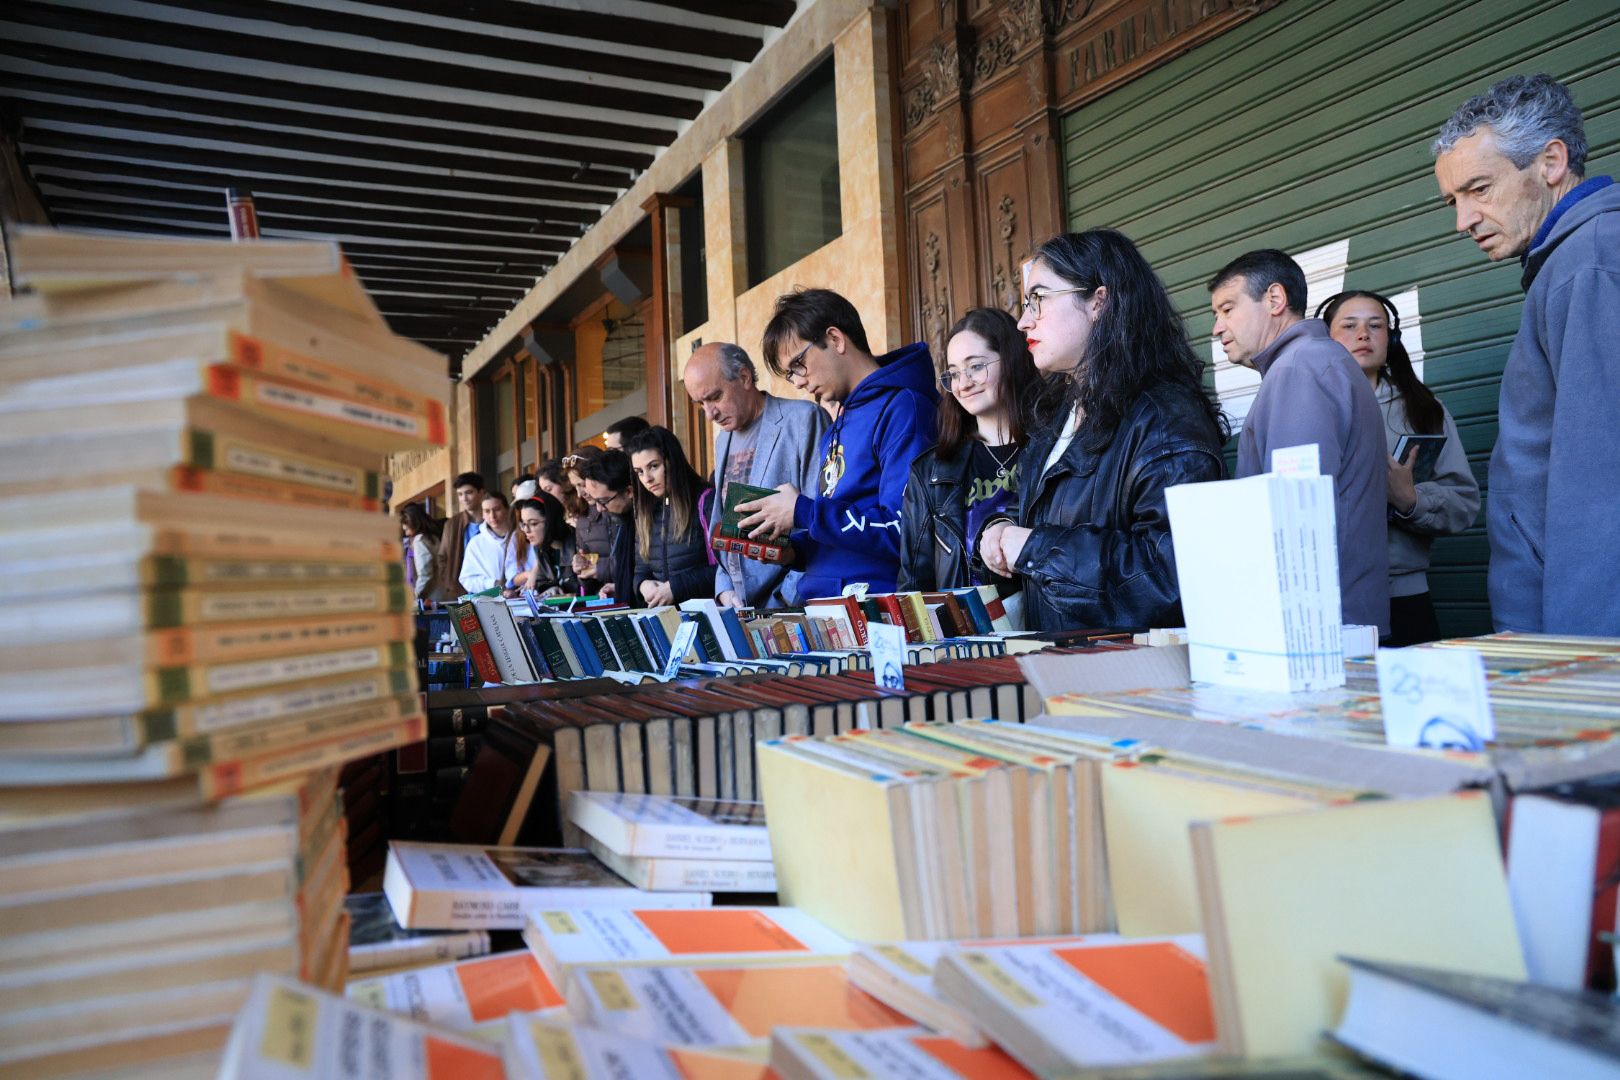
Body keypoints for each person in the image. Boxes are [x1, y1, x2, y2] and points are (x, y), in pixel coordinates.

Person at [1432, 73, 1619, 634]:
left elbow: (1600, 491)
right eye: (1453, 200)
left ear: (1552, 162)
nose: (1462, 220)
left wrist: (1583, 661)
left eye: (1479, 189)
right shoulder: (1569, 263)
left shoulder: (1587, 265)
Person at [980, 230, 1227, 631]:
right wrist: (1000, 529)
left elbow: (1169, 577)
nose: (1024, 321)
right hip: (1068, 668)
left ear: (1098, 301)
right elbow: (1045, 509)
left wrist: (1033, 547)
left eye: (1038, 300)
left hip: (1130, 682)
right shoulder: (1062, 409)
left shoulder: (1164, 419)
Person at [1209, 249, 1389, 635]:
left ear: (1275, 300)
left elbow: (1295, 514)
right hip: (1339, 619)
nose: (1217, 327)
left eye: (1227, 309)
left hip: (1315, 628)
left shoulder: (1299, 369)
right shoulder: (1315, 361)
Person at [750, 288, 938, 600]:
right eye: (789, 374)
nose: (797, 381)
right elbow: (842, 531)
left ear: (835, 339)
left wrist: (804, 511)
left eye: (798, 363)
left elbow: (905, 531)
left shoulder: (903, 408)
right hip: (822, 605)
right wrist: (793, 552)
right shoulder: (836, 426)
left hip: (873, 610)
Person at [1321, 290, 1481, 646]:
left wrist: (1411, 500)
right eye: (1349, 325)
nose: (1363, 334)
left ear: (1391, 339)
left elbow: (1464, 503)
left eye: (1375, 325)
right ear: (1325, 338)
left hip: (1405, 600)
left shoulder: (1424, 409)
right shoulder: (1307, 407)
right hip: (1326, 601)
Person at [899, 307, 1037, 596]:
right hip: (970, 636)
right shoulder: (929, 473)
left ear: (1011, 360)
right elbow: (915, 586)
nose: (962, 384)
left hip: (1049, 630)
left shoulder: (1054, 448)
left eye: (975, 366)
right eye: (953, 373)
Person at [683, 341, 829, 609]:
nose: (709, 414)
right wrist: (724, 589)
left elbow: (820, 520)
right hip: (739, 606)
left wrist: (785, 598)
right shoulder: (722, 440)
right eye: (700, 403)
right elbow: (723, 522)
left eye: (714, 397)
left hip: (791, 607)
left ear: (744, 377)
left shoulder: (803, 420)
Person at [624, 426, 717, 607]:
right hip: (666, 620)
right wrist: (643, 585)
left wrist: (676, 587)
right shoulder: (646, 511)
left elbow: (728, 570)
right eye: (639, 472)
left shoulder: (706, 501)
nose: (647, 479)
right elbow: (642, 569)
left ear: (672, 461)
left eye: (654, 466)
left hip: (706, 616)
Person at [578, 450, 637, 603]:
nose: (599, 509)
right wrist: (622, 586)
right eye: (594, 501)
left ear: (629, 491)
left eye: (603, 501)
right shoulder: (624, 518)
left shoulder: (640, 520)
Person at [563, 446, 614, 595]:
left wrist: (599, 569)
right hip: (604, 601)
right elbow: (588, 586)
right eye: (575, 487)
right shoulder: (583, 519)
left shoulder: (621, 508)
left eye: (582, 485)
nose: (579, 494)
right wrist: (581, 569)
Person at [507, 495, 572, 598]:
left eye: (533, 523)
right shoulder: (541, 549)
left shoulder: (576, 544)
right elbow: (543, 582)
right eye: (523, 524)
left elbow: (587, 588)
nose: (526, 530)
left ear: (551, 521)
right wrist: (550, 589)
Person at [435, 471, 485, 600]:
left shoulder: (493, 519)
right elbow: (442, 557)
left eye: (469, 492)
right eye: (460, 494)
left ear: (481, 492)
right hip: (460, 591)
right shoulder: (452, 524)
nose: (464, 498)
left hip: (491, 588)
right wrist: (448, 581)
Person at [459, 492, 514, 594]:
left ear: (507, 510)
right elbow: (466, 580)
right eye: (487, 511)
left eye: (497, 509)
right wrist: (493, 584)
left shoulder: (521, 536)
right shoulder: (476, 543)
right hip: (492, 602)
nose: (492, 516)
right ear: (483, 514)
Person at [398, 502, 446, 604]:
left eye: (406, 527)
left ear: (412, 522)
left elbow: (425, 573)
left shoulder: (419, 540)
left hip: (432, 598)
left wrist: (415, 595)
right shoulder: (433, 537)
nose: (405, 532)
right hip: (443, 594)